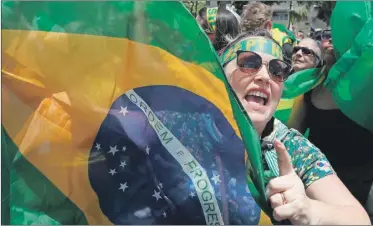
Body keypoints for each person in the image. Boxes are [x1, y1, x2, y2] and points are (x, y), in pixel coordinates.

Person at [219, 29, 370, 224]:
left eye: (277, 70)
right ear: (220, 73)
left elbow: (359, 220)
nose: (265, 76)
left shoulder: (292, 149)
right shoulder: (184, 125)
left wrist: (310, 210)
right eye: (249, 63)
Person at [288, 29, 373, 218]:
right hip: (319, 187)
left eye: (339, 34)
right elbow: (293, 136)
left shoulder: (368, 88)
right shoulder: (309, 88)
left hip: (362, 190)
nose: (330, 41)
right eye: (328, 35)